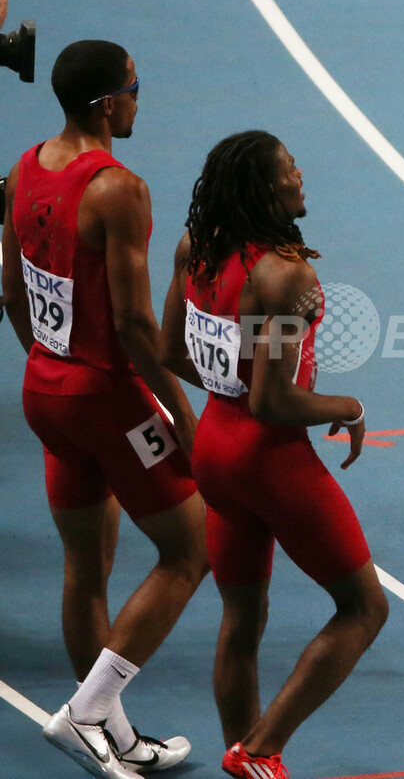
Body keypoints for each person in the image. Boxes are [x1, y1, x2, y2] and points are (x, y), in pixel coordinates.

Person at [1, 39, 209, 777]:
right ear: (107, 104)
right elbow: (135, 329)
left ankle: (112, 731)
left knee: (84, 566)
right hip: (105, 396)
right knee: (192, 548)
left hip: (44, 389)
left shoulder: (23, 169)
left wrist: (48, 362)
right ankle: (86, 712)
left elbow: (13, 291)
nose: (138, 97)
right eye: (134, 85)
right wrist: (183, 418)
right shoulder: (119, 189)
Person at [160, 130, 388, 779]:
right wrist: (348, 406)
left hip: (214, 449)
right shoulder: (286, 276)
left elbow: (169, 348)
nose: (301, 176)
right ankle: (261, 747)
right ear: (266, 189)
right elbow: (275, 400)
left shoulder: (194, 249)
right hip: (270, 460)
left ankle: (244, 757)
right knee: (365, 607)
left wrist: (228, 390)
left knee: (241, 617)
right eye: (290, 169)